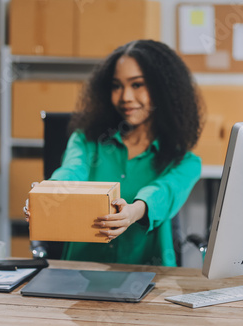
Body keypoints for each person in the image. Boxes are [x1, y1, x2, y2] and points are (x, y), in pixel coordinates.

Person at [25, 39, 203, 267]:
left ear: (164, 89)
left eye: (137, 84)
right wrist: (46, 195)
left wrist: (134, 211)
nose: (125, 96)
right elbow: (71, 172)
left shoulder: (185, 162)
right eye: (117, 86)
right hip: (80, 271)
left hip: (149, 277)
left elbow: (163, 192)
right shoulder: (87, 141)